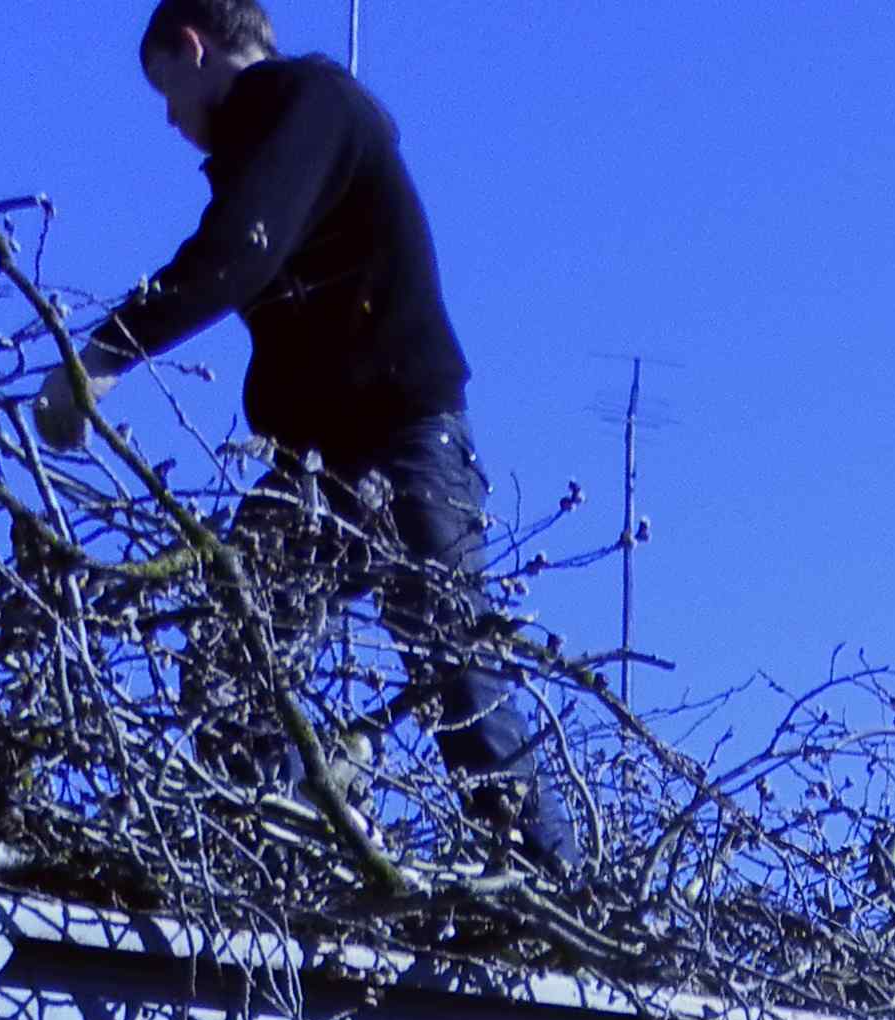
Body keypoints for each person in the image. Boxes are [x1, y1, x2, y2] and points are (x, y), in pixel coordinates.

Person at [40, 1, 576, 875]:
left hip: (405, 437)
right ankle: (288, 848)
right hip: (320, 462)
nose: (170, 120)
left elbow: (237, 251)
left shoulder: (306, 105)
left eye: (164, 89)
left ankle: (545, 889)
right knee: (231, 649)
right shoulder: (273, 144)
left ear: (192, 45)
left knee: (453, 662)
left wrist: (102, 352)